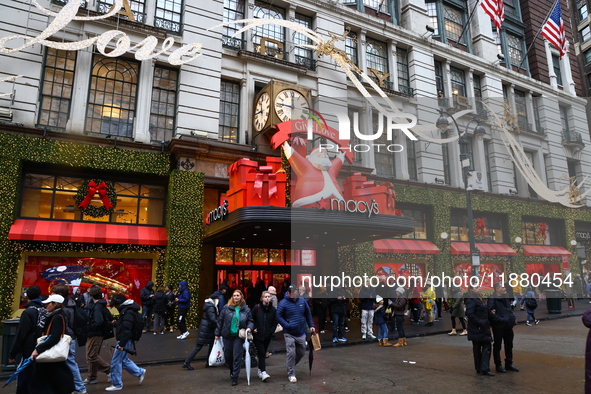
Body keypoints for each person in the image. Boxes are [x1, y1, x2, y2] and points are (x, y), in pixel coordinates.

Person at [29, 294, 76, 393]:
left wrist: (38, 349)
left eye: (48, 304)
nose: (46, 306)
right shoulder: (59, 315)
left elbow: (54, 337)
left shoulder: (56, 317)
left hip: (49, 352)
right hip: (53, 354)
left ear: (55, 304)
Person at [8, 285, 44, 394]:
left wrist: (12, 353)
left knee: (25, 377)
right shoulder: (44, 310)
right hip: (42, 347)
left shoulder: (28, 312)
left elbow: (21, 334)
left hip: (29, 349)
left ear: (27, 296)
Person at [106, 294, 146, 391]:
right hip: (127, 339)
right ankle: (139, 372)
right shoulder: (129, 310)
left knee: (116, 362)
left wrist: (121, 344)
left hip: (125, 340)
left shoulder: (127, 312)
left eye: (115, 306)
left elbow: (127, 329)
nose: (115, 307)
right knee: (123, 360)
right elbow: (127, 326)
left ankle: (117, 384)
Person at [51, 284, 86, 393]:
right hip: (70, 337)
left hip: (65, 338)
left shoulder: (63, 308)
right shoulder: (70, 305)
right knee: (69, 362)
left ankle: (80, 388)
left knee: (70, 362)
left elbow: (66, 325)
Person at [276, 285, 315, 383]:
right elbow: (278, 316)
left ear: (297, 291)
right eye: (290, 291)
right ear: (288, 292)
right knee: (291, 353)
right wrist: (286, 325)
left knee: (301, 352)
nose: (292, 293)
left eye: (294, 291)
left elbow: (308, 314)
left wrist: (311, 325)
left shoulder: (302, 301)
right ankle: (291, 374)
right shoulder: (283, 303)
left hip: (301, 332)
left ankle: (291, 365)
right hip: (289, 333)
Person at [214, 290, 254, 386]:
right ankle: (232, 371)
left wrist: (249, 327)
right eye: (234, 295)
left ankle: (235, 377)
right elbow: (220, 321)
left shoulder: (246, 309)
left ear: (241, 297)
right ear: (232, 297)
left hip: (238, 336)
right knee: (228, 356)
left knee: (237, 356)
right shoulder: (226, 308)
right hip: (227, 335)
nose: (236, 297)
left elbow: (250, 321)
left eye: (238, 295)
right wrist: (217, 334)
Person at [488, 282, 519, 373]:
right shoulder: (492, 299)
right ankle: (498, 365)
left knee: (509, 345)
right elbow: (490, 312)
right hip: (498, 326)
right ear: (497, 289)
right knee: (497, 346)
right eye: (503, 287)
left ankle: (509, 363)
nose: (505, 289)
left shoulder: (506, 298)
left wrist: (511, 318)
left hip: (508, 325)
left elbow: (509, 310)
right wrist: (500, 320)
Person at [183, 294, 219, 370]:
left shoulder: (208, 305)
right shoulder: (211, 306)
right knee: (199, 346)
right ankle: (187, 362)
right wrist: (219, 324)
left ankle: (208, 362)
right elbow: (212, 318)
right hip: (207, 329)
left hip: (205, 328)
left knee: (207, 346)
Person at [84, 285, 112, 385]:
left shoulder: (97, 307)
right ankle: (92, 377)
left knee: (91, 356)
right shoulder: (100, 305)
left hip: (95, 334)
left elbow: (98, 321)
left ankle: (108, 370)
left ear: (91, 295)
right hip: (97, 333)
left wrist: (89, 327)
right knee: (91, 355)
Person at [465, 285, 495, 376]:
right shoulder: (471, 300)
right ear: (471, 289)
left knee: (479, 348)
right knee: (485, 347)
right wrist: (481, 322)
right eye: (477, 287)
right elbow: (470, 314)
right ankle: (484, 369)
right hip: (478, 328)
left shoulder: (478, 299)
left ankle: (480, 368)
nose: (479, 288)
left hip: (480, 327)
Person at [252, 291, 278, 381]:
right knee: (262, 352)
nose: (267, 298)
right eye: (265, 297)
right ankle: (263, 372)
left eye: (268, 297)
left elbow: (275, 322)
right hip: (258, 335)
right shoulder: (257, 308)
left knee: (262, 352)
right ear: (262, 298)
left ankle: (259, 370)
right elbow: (252, 319)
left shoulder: (273, 310)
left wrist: (271, 331)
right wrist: (254, 328)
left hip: (267, 335)